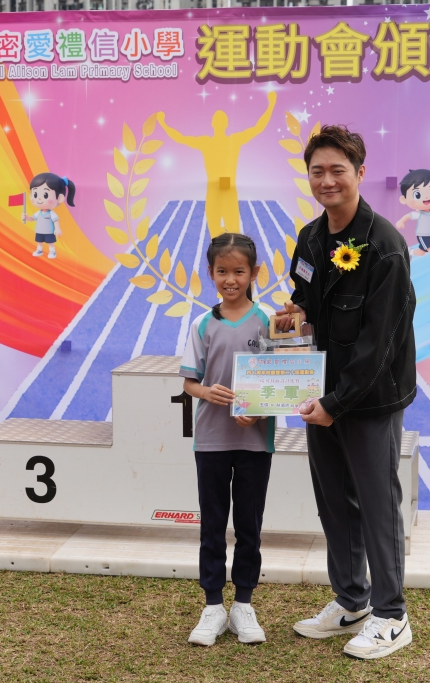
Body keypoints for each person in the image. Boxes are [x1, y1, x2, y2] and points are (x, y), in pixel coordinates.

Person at [276, 125, 417, 660]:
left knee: (377, 504)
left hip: (369, 399)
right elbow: (305, 295)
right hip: (321, 395)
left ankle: (392, 615)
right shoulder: (311, 237)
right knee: (335, 502)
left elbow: (381, 343)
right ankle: (352, 600)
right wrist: (295, 313)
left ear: (359, 172)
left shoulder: (385, 247)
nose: (327, 180)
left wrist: (336, 404)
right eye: (317, 171)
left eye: (338, 170)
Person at [179, 233, 276, 647]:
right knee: (213, 524)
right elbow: (189, 383)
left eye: (239, 271)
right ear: (210, 273)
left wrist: (261, 409)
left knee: (249, 525)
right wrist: (207, 392)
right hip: (211, 442)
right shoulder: (202, 324)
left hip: (255, 442)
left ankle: (244, 606)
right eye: (222, 271)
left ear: (255, 273)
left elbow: (282, 381)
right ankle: (213, 606)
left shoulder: (269, 322)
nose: (230, 279)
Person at [156, 91, 277, 237]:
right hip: (220, 189)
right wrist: (271, 105)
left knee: (224, 232)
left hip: (221, 189)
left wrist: (163, 123)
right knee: (224, 232)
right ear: (224, 124)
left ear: (214, 124)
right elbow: (258, 127)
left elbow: (180, 138)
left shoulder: (211, 142)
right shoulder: (230, 141)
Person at [22, 173, 75, 259]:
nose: (39, 199)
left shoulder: (51, 213)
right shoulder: (38, 213)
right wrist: (27, 217)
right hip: (39, 231)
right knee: (39, 241)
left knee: (50, 242)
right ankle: (39, 250)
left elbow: (55, 221)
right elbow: (32, 218)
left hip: (49, 232)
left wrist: (57, 229)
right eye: (35, 195)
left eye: (45, 195)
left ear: (59, 198)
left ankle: (52, 251)